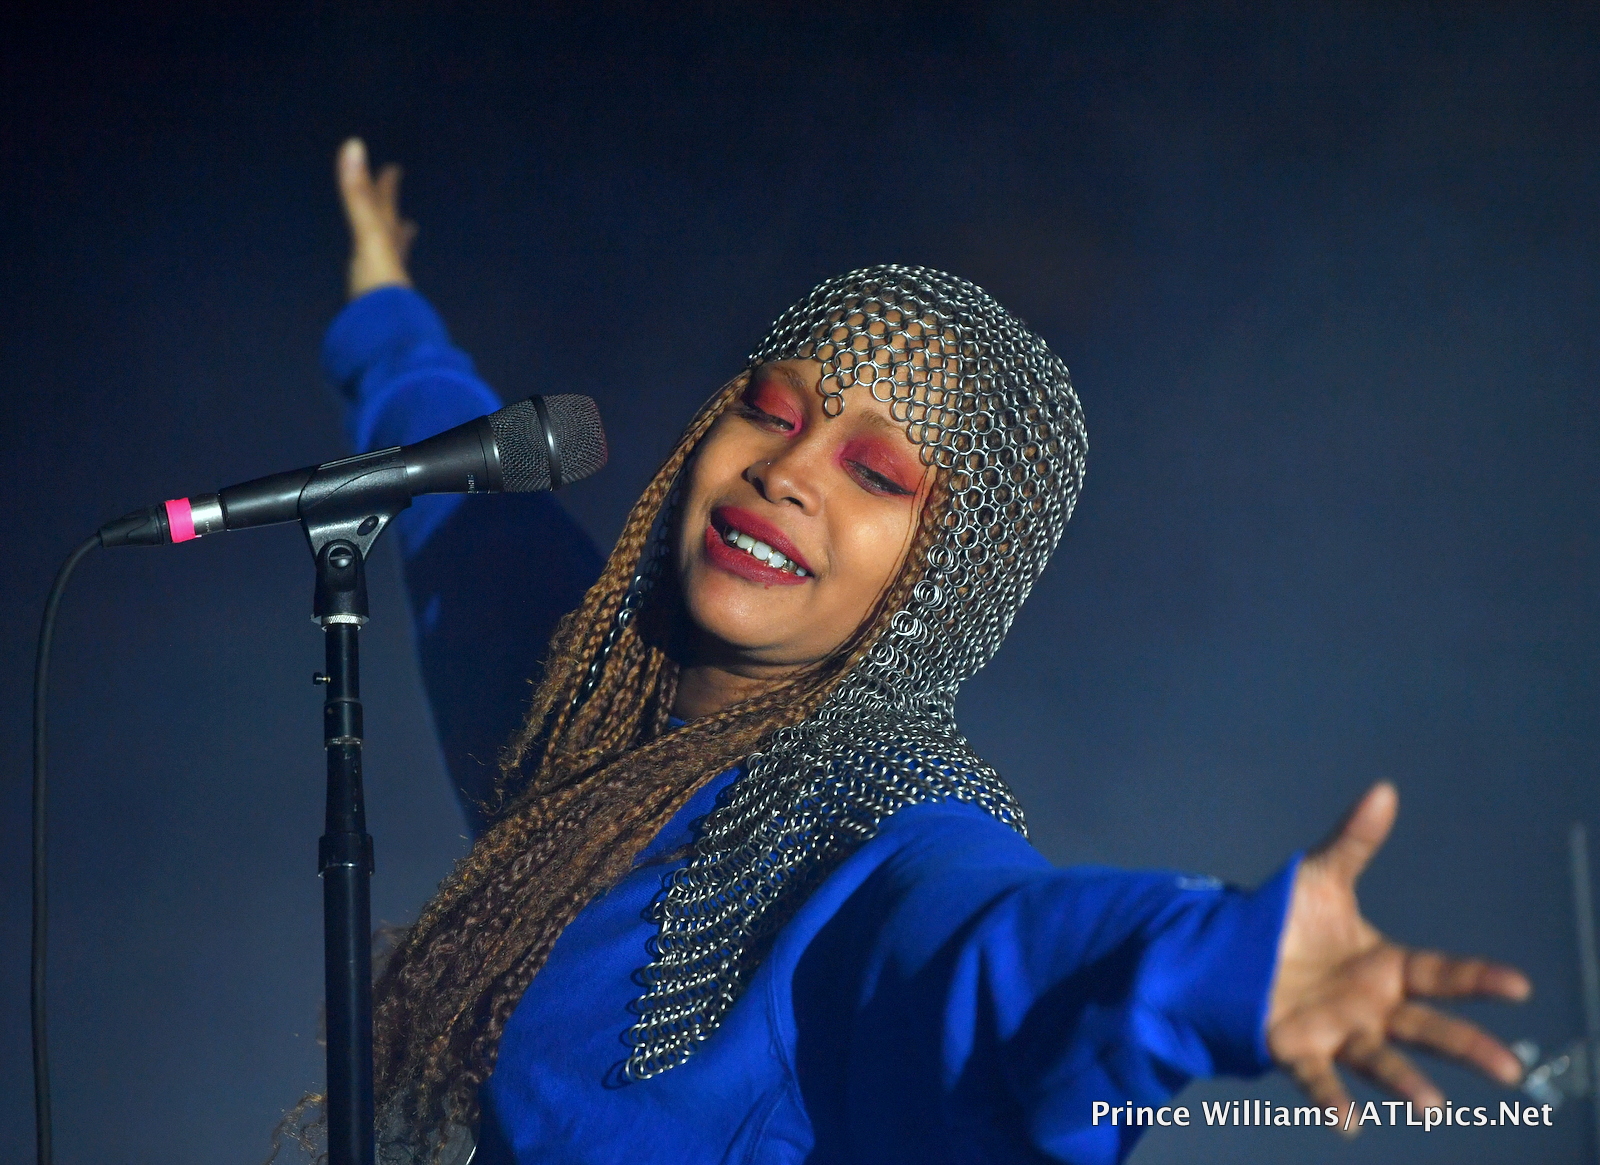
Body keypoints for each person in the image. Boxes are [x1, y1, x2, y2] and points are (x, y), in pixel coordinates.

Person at [292, 138, 1532, 1165]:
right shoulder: (580, 703)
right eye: (772, 413)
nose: (786, 471)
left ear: (942, 580)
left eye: (876, 471)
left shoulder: (871, 834)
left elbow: (1002, 943)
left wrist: (1220, 966)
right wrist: (379, 299)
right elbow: (456, 492)